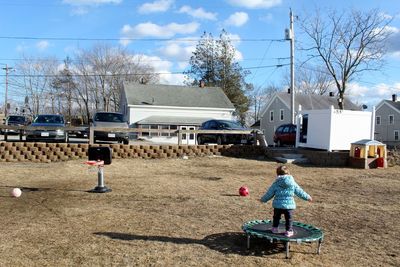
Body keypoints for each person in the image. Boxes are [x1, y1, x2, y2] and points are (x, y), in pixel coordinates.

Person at [260, 165, 312, 237]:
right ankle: (289, 231)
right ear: (288, 173)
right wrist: (308, 197)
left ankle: (275, 228)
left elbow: (269, 193)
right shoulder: (292, 183)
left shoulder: (276, 183)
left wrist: (263, 199)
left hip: (278, 205)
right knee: (289, 219)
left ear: (277, 174)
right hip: (289, 206)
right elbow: (300, 191)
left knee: (276, 217)